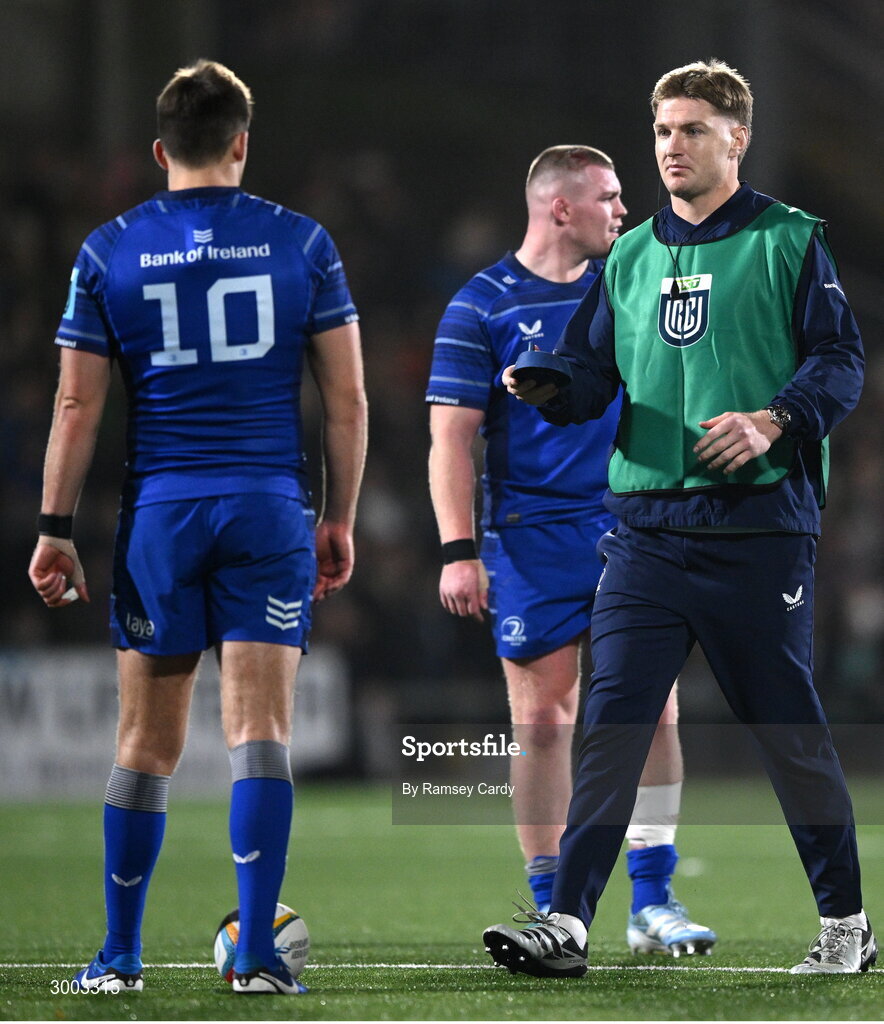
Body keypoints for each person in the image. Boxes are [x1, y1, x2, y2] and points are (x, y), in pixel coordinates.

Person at [482, 59, 875, 977]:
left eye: (692, 129)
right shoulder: (627, 256)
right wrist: (552, 386)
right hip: (646, 535)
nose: (671, 147)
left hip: (757, 532)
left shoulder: (788, 240)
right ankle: (567, 924)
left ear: (738, 137)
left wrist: (773, 418)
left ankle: (845, 928)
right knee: (613, 723)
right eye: (661, 131)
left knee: (789, 735)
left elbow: (843, 359)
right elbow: (591, 372)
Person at [28, 60, 367, 995]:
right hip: (267, 504)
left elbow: (73, 404)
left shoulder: (108, 249)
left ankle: (121, 958)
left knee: (145, 744)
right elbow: (346, 399)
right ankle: (256, 956)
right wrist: (335, 517)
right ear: (242, 143)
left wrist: (55, 526)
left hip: (163, 512)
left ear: (159, 149)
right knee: (261, 732)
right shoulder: (303, 243)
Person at [427, 145, 715, 954]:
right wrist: (458, 549)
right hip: (530, 538)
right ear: (561, 208)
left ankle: (653, 903)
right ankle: (556, 907)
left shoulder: (630, 284)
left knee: (654, 708)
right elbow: (450, 439)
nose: (625, 210)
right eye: (610, 196)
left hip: (632, 525)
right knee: (546, 723)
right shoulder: (479, 306)